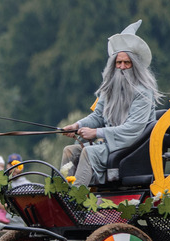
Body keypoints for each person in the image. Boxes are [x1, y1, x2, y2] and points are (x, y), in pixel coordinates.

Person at [61, 20, 162, 186]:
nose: (121, 67)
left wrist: (96, 133)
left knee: (88, 153)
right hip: (110, 145)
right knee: (69, 151)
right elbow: (98, 116)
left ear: (134, 66)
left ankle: (74, 202)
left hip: (133, 148)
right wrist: (76, 125)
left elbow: (133, 129)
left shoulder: (143, 93)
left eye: (126, 63)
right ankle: (63, 197)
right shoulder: (109, 89)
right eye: (118, 63)